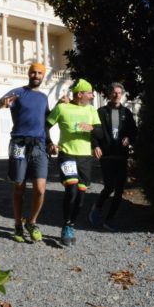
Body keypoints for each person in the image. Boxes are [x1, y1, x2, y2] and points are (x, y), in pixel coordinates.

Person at [0, 62, 51, 243]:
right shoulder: (17, 92)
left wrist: (50, 142)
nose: (36, 75)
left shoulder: (43, 97)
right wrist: (2, 103)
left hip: (39, 145)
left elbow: (46, 123)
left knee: (40, 189)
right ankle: (18, 224)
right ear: (29, 73)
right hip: (19, 143)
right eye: (33, 72)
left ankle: (31, 222)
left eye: (39, 73)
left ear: (43, 76)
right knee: (19, 186)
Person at [46, 78, 101, 246]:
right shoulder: (62, 107)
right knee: (72, 190)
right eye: (90, 93)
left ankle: (71, 225)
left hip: (85, 158)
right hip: (67, 154)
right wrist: (50, 143)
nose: (92, 96)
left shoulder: (91, 110)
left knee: (81, 197)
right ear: (80, 94)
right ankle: (66, 226)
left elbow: (100, 132)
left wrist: (91, 128)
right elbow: (45, 125)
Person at [90, 83, 137, 231]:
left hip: (121, 155)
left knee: (120, 189)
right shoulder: (101, 112)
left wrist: (129, 138)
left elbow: (133, 131)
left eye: (119, 93)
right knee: (109, 186)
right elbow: (94, 131)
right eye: (114, 93)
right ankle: (97, 207)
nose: (117, 95)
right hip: (107, 155)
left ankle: (109, 219)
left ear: (122, 95)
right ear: (109, 94)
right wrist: (95, 145)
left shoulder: (126, 113)